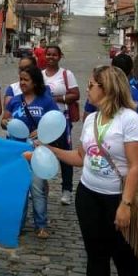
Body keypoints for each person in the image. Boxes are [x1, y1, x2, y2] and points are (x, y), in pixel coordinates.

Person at [44, 65, 138, 276]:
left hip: (118, 198)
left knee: (125, 260)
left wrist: (125, 204)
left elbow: (135, 166)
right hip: (88, 196)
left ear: (107, 88)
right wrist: (49, 150)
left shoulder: (130, 120)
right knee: (96, 257)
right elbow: (81, 157)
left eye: (92, 84)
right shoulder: (91, 118)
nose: (87, 89)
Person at [1, 64, 58, 238]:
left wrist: (42, 131)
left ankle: (41, 225)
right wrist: (6, 123)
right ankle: (18, 225)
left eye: (26, 80)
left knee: (37, 189)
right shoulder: (15, 101)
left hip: (37, 151)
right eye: (21, 79)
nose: (22, 83)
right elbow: (4, 120)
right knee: (19, 190)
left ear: (35, 82)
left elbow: (56, 122)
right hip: (17, 152)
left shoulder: (46, 101)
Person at [43, 45, 80, 205]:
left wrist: (56, 99)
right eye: (48, 54)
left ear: (60, 56)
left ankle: (67, 190)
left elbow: (75, 94)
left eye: (54, 55)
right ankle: (40, 187)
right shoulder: (39, 75)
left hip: (62, 120)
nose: (51, 57)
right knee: (42, 152)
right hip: (43, 121)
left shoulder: (66, 74)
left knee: (65, 155)